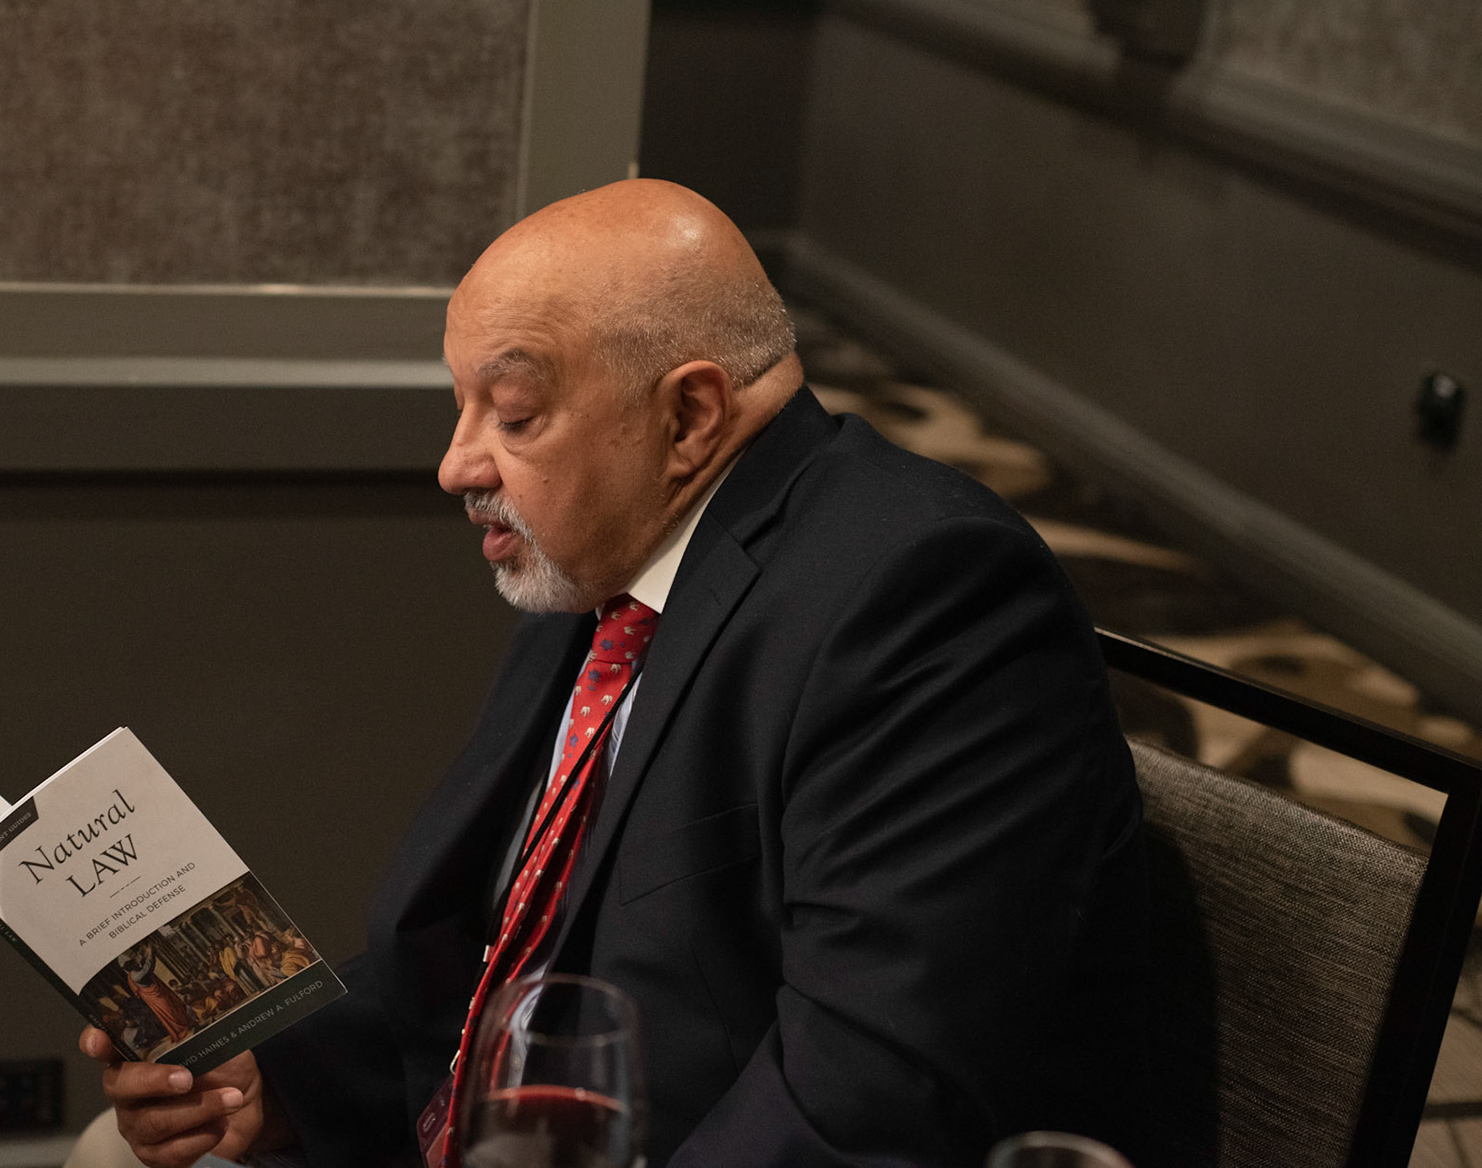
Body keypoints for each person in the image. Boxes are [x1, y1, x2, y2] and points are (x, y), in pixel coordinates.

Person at [82, 180, 1147, 1167]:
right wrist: (274, 1073)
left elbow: (861, 1108)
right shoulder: (611, 555)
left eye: (513, 412)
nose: (456, 464)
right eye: (461, 407)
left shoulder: (930, 602)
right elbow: (500, 945)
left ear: (687, 417)